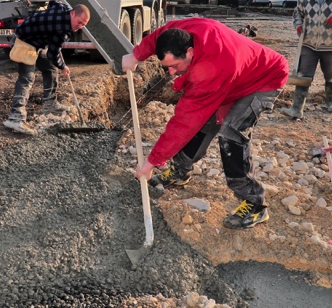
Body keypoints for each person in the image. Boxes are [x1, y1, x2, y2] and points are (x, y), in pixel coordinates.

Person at [122, 18, 288, 230]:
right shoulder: (181, 32)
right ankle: (180, 172)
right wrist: (136, 55)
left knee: (230, 132)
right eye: (167, 68)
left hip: (263, 78)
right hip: (235, 75)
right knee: (206, 120)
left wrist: (152, 161)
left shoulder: (212, 70)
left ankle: (255, 204)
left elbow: (185, 121)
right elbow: (158, 36)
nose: (171, 73)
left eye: (174, 66)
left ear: (189, 52)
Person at [3, 1, 90, 135]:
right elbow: (52, 55)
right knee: (27, 78)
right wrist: (63, 66)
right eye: (79, 22)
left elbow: (54, 3)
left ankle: (49, 103)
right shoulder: (62, 30)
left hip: (36, 40)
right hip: (24, 41)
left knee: (50, 68)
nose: (80, 27)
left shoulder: (65, 8)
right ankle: (15, 117)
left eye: (83, 24)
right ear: (72, 14)